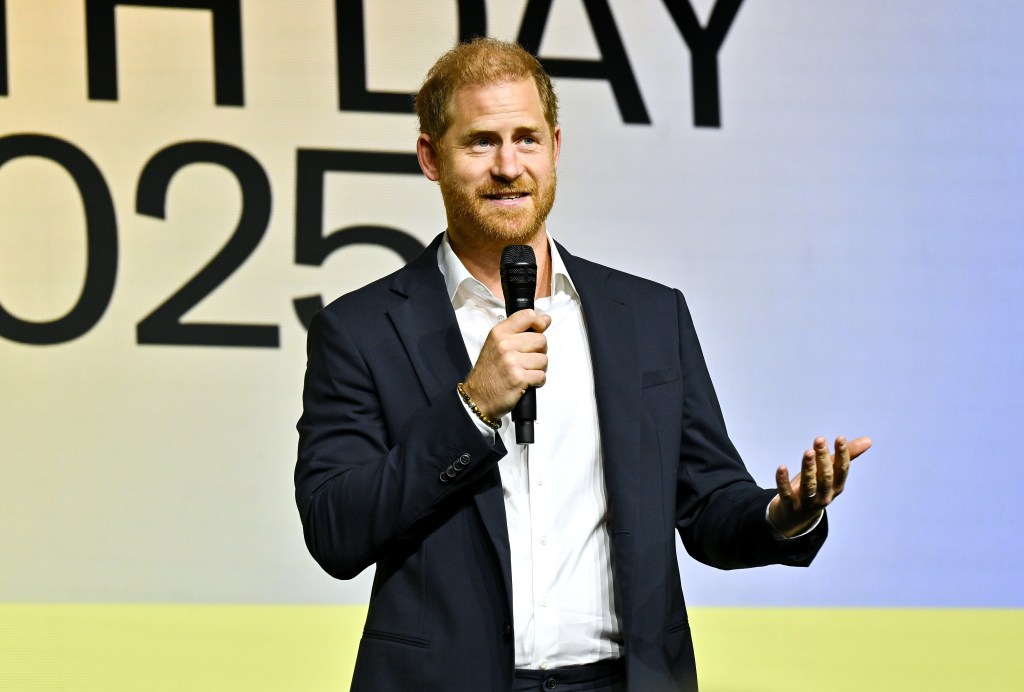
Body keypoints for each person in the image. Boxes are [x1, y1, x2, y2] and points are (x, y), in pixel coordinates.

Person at [295, 37, 871, 692]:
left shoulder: (650, 317)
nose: (509, 166)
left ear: (557, 148)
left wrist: (785, 516)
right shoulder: (363, 329)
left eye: (527, 139)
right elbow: (334, 530)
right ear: (431, 156)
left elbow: (709, 506)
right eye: (482, 142)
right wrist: (469, 410)